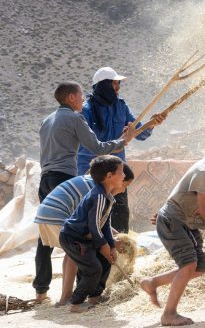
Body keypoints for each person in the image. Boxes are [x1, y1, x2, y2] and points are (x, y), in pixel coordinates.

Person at [33, 82, 134, 302]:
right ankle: (84, 293)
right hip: (65, 177)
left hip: (46, 179)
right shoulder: (75, 118)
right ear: (70, 98)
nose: (82, 100)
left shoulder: (46, 120)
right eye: (80, 96)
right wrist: (123, 141)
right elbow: (96, 147)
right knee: (79, 237)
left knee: (46, 238)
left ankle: (41, 291)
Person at [140, 121, 205, 326]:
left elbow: (184, 195)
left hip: (184, 222)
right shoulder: (204, 172)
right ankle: (169, 314)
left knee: (198, 268)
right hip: (176, 221)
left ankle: (152, 282)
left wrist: (165, 212)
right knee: (188, 265)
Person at [77, 67, 165, 233]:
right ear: (103, 86)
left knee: (120, 213)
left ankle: (121, 252)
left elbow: (139, 132)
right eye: (114, 84)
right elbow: (86, 145)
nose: (118, 88)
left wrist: (152, 123)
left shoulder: (121, 106)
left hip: (117, 172)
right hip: (91, 171)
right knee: (95, 215)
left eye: (118, 84)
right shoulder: (85, 111)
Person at [34, 164, 135, 306]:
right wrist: (109, 242)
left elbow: (101, 219)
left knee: (74, 251)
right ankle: (67, 297)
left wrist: (115, 237)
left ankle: (64, 295)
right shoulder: (98, 192)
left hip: (46, 213)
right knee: (75, 251)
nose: (124, 190)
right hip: (56, 214)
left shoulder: (98, 187)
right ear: (112, 178)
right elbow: (94, 222)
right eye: (125, 184)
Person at [59, 155, 126, 312]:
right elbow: (94, 225)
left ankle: (95, 296)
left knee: (105, 261)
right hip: (73, 238)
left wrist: (111, 246)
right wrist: (103, 245)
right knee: (93, 269)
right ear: (109, 176)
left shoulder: (108, 198)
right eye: (121, 172)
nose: (123, 176)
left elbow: (105, 225)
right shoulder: (98, 197)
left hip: (86, 238)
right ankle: (76, 303)